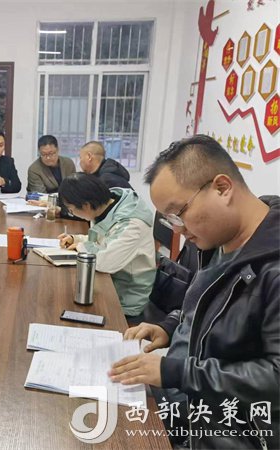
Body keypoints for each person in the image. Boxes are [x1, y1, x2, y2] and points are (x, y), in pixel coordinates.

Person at [108, 135, 279, 450]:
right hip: (187, 403)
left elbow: (275, 378)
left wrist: (177, 372)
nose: (177, 229)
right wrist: (170, 326)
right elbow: (206, 303)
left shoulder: (271, 268)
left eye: (179, 213)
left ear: (222, 188)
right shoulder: (218, 240)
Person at [58, 173, 156, 321]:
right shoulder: (105, 206)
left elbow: (104, 262)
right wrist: (76, 239)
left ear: (86, 205)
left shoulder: (132, 224)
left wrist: (81, 246)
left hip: (125, 299)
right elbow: (106, 240)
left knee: (63, 307)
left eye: (71, 209)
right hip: (108, 283)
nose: (71, 213)